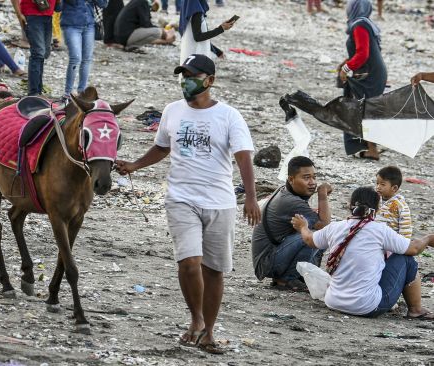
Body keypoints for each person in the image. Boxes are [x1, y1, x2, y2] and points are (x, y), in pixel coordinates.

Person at [116, 54, 261, 354]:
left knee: (214, 270)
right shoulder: (172, 111)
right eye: (183, 75)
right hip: (181, 198)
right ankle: (195, 319)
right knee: (189, 262)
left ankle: (209, 331)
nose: (186, 81)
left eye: (192, 75)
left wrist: (250, 197)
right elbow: (161, 147)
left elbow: (244, 157)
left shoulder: (229, 116)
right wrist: (135, 165)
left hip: (220, 202)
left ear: (210, 80)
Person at [292, 186, 434, 319]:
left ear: (350, 206)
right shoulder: (379, 230)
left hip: (334, 301)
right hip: (366, 306)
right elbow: (414, 249)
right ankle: (415, 310)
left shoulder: (335, 227)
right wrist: (428, 238)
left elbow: (309, 239)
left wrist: (303, 227)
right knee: (406, 258)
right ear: (377, 209)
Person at [251, 156, 332, 291]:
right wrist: (322, 194)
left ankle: (298, 275)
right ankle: (287, 279)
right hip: (267, 263)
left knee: (316, 234)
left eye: (314, 177)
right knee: (314, 235)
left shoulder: (286, 190)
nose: (312, 182)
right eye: (306, 178)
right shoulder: (289, 201)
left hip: (273, 256)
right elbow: (324, 225)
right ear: (291, 179)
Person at [339, 0, 386, 160]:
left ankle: (372, 149)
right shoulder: (366, 24)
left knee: (364, 109)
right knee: (365, 108)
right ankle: (369, 146)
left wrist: (346, 68)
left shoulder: (359, 25)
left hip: (370, 74)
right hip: (372, 72)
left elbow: (363, 54)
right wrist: (346, 63)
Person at [60, 0, 107, 99]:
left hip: (89, 24)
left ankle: (82, 92)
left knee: (87, 59)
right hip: (71, 24)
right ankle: (68, 93)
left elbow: (103, 4)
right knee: (75, 58)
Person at [10, 0, 58, 95]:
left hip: (48, 15)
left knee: (44, 53)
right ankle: (34, 92)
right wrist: (19, 15)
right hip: (32, 15)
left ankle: (38, 90)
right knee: (38, 53)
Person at [376, 166, 412, 239]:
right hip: (376, 238)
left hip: (392, 241)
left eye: (382, 184)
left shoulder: (400, 205)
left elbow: (405, 228)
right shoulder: (375, 200)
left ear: (394, 188)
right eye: (377, 183)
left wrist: (403, 244)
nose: (378, 187)